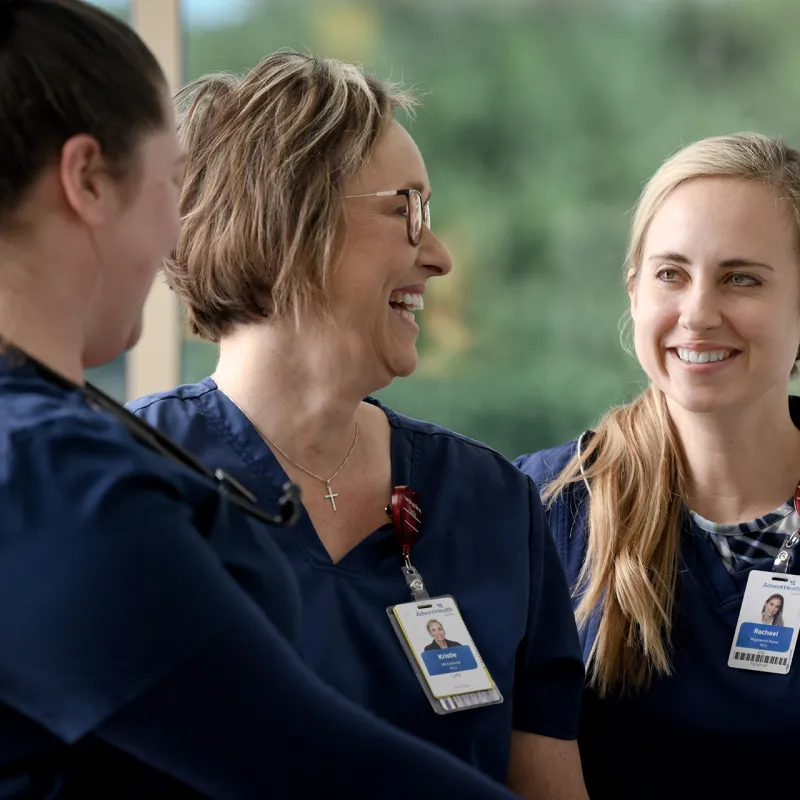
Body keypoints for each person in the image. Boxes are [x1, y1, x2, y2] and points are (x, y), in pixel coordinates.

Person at [0, 2, 563, 798]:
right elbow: (309, 766)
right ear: (88, 180)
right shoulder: (50, 476)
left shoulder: (62, 457)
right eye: (166, 181)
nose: (180, 226)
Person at [127, 51, 588, 799]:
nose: (437, 255)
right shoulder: (122, 486)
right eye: (406, 208)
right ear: (287, 216)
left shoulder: (491, 504)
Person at [515, 132, 800, 799]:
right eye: (671, 274)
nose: (698, 314)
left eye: (741, 278)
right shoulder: (540, 508)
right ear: (634, 291)